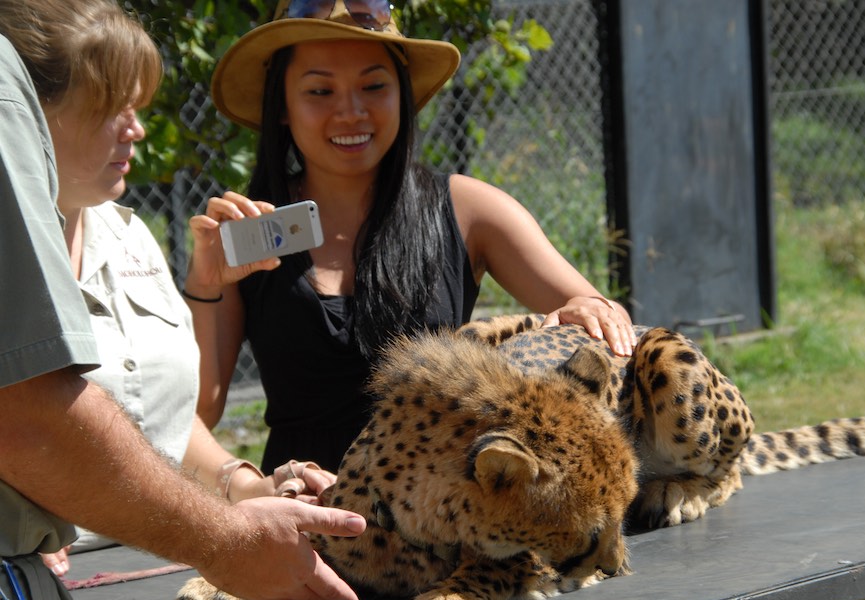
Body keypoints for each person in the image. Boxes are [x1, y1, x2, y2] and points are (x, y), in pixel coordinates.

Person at [0, 2, 365, 600]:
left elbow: (175, 422)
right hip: (64, 593)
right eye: (113, 105)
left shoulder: (130, 235)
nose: (135, 128)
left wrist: (249, 484)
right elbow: (30, 421)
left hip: (162, 573)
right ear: (32, 114)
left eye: (140, 104)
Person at [185, 0, 639, 476]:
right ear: (281, 106)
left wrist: (590, 311)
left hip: (441, 524)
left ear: (401, 93)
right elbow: (199, 411)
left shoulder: (468, 209)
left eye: (374, 86)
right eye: (320, 90)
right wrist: (206, 278)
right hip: (300, 520)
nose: (351, 111)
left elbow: (604, 318)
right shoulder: (245, 233)